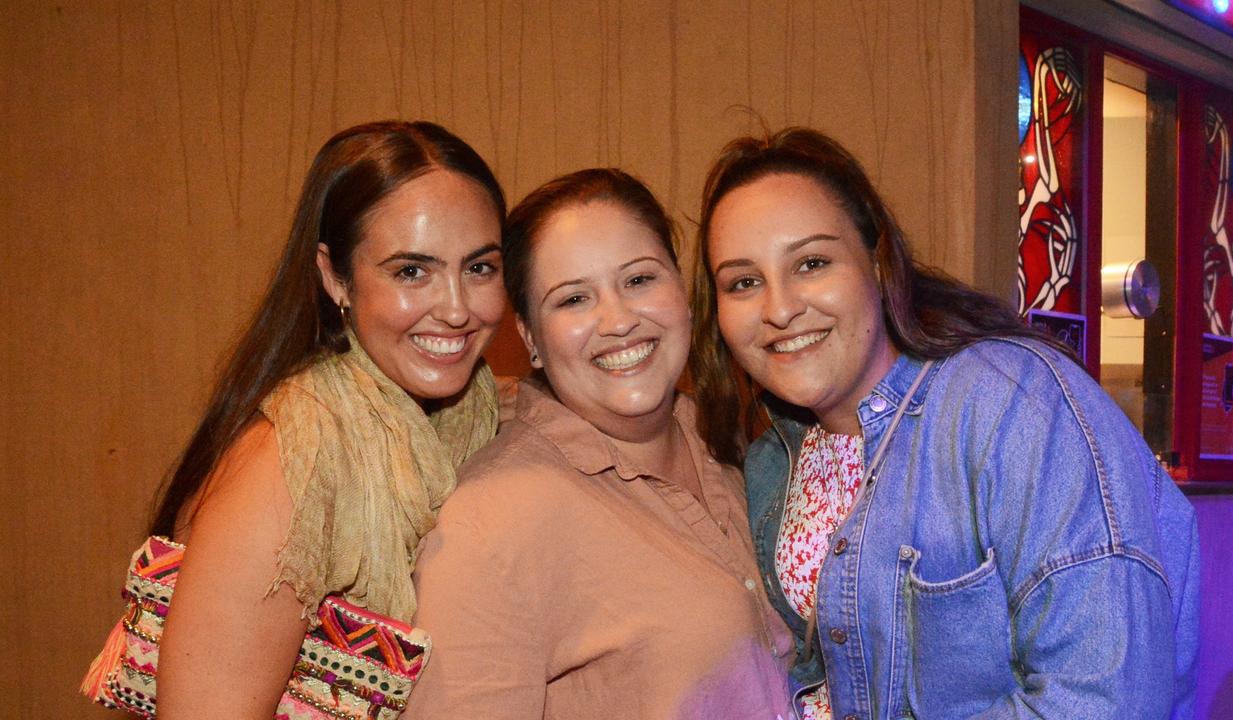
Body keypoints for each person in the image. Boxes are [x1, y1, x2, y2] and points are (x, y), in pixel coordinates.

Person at [691, 127, 1199, 720]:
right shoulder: (774, 455)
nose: (778, 308)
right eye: (743, 282)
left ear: (877, 264)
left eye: (811, 262)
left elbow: (1106, 699)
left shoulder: (1011, 401)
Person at [82, 120, 507, 719]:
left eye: (480, 268)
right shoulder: (291, 466)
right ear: (335, 276)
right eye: (411, 271)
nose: (458, 309)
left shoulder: (472, 411)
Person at [403, 168, 794, 719]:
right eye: (573, 299)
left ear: (681, 290)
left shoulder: (738, 442)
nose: (617, 321)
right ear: (531, 338)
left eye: (638, 280)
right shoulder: (490, 523)